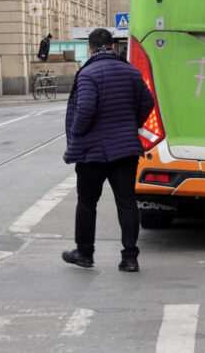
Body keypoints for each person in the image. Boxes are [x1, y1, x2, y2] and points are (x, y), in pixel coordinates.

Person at [62, 28, 154, 272]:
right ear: (113, 46)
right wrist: (132, 123)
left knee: (87, 202)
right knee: (126, 201)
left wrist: (77, 133)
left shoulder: (88, 73)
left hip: (92, 151)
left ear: (90, 49)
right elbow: (148, 102)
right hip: (125, 150)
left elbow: (86, 109)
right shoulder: (132, 72)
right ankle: (129, 258)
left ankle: (84, 253)